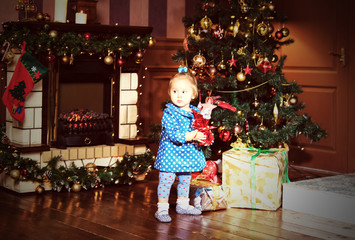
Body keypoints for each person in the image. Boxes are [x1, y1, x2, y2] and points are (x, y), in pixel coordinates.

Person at [154, 71, 207, 223]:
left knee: (185, 179)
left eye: (184, 92)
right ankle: (162, 208)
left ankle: (183, 204)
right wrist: (192, 135)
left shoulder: (196, 112)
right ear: (169, 92)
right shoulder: (169, 113)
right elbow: (174, 135)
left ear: (193, 94)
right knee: (166, 180)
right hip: (170, 153)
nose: (179, 95)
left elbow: (201, 128)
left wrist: (202, 135)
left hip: (187, 154)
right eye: (175, 91)